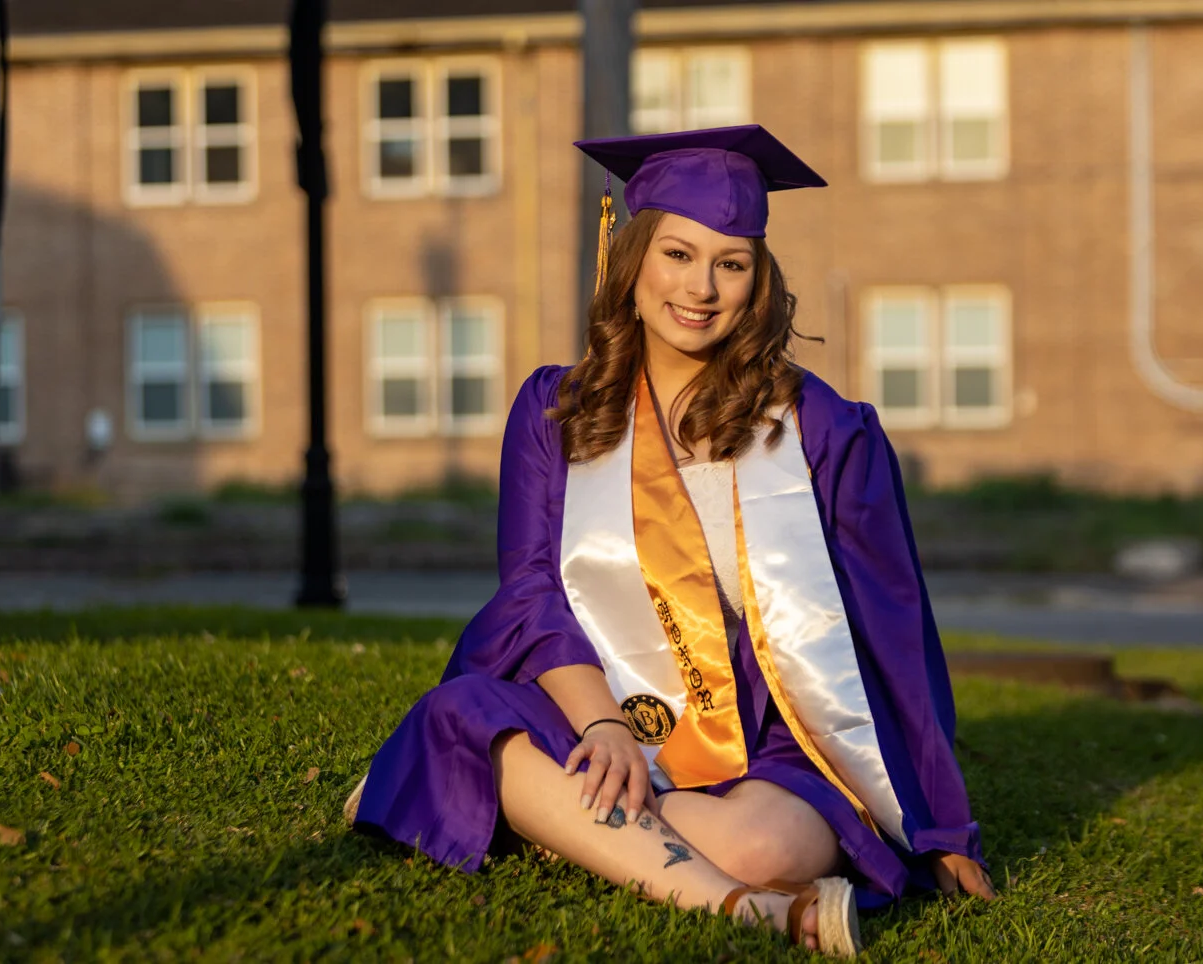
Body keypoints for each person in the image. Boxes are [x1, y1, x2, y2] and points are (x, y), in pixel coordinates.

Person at [348, 125, 995, 956]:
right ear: (632, 259)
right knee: (473, 713)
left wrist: (942, 825)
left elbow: (891, 624)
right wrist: (602, 728)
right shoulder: (558, 411)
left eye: (731, 263)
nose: (702, 288)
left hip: (770, 729)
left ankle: (542, 810)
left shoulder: (817, 429)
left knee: (771, 848)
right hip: (584, 695)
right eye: (678, 255)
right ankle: (753, 911)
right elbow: (532, 589)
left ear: (759, 279)